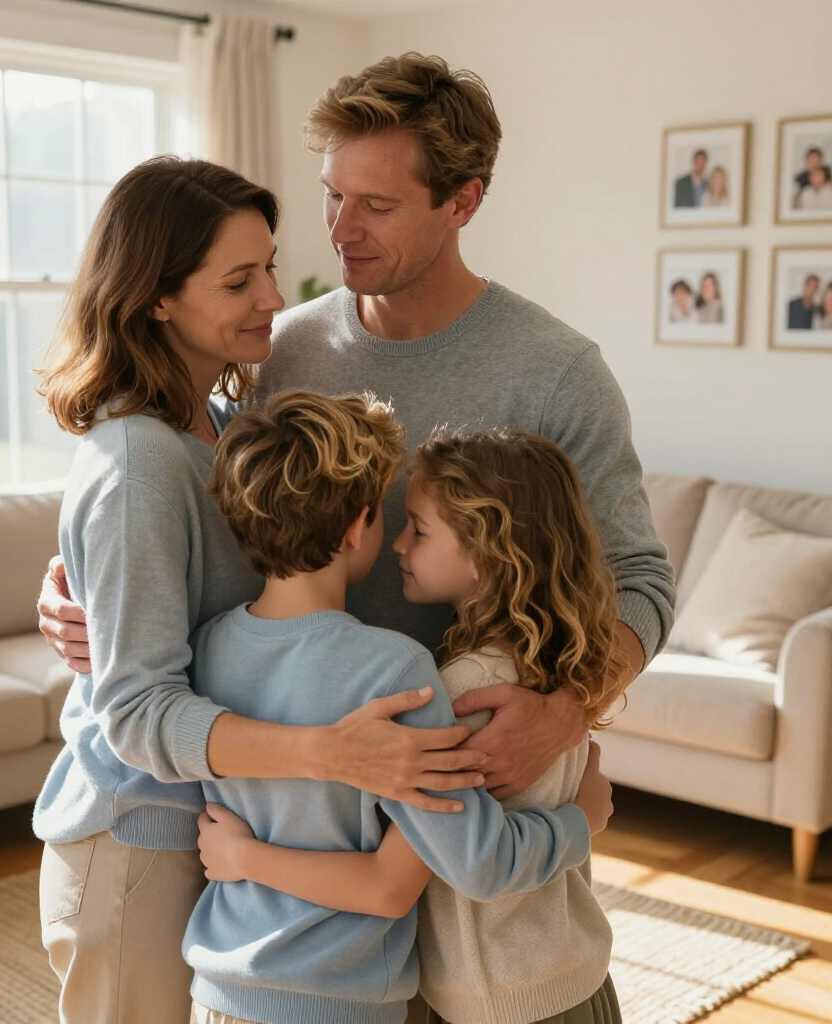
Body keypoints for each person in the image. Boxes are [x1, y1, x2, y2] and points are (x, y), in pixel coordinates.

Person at [39, 52, 674, 824]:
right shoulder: (277, 350)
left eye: (376, 203)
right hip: (291, 805)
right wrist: (81, 595)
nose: (341, 231)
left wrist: (568, 711)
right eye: (332, 195)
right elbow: (197, 513)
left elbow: (638, 581)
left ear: (462, 201)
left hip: (458, 781)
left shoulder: (557, 373)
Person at [32, 156, 484, 1024]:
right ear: (156, 298)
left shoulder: (229, 429)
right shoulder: (139, 464)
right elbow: (134, 712)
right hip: (137, 841)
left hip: (210, 833)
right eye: (239, 281)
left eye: (269, 265)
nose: (275, 297)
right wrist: (330, 753)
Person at [185, 391, 612, 1024]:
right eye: (396, 519)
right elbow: (455, 866)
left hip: (220, 988)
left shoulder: (204, 646)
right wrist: (582, 820)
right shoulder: (400, 672)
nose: (397, 545)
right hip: (347, 998)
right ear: (359, 525)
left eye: (418, 527)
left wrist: (242, 859)